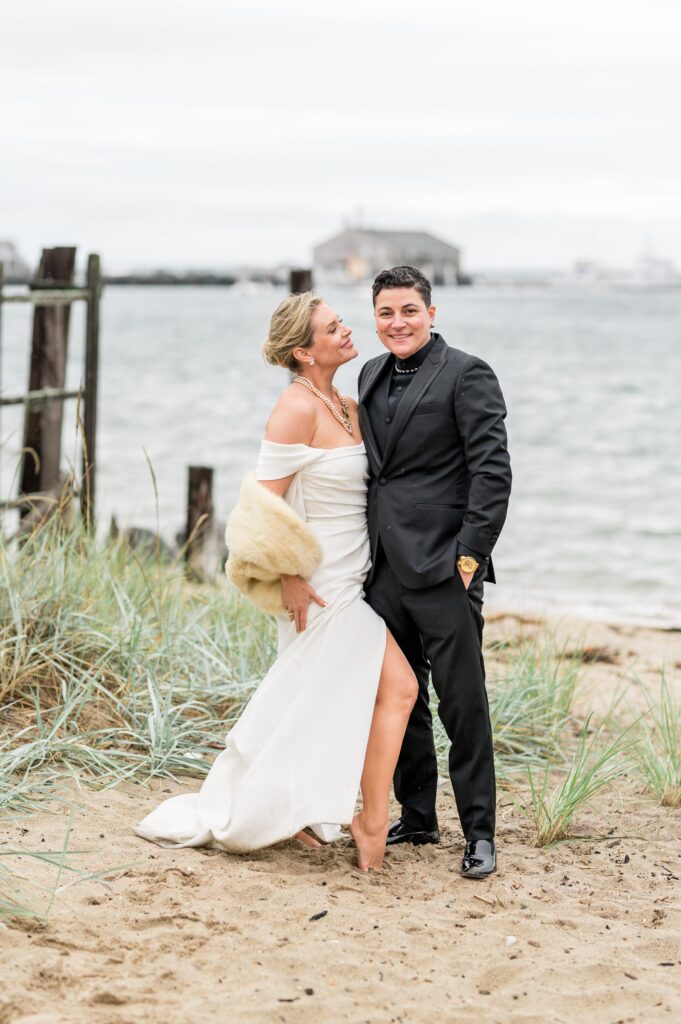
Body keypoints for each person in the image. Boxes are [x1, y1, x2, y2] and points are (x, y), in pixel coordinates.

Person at [134, 293, 417, 871]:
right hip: (321, 590)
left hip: (354, 579)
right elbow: (261, 507)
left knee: (309, 702)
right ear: (302, 351)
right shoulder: (295, 408)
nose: (345, 331)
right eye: (332, 328)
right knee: (400, 688)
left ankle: (307, 815)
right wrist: (285, 576)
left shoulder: (345, 404)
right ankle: (370, 822)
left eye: (341, 322)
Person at [359, 266, 512, 878]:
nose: (397, 323)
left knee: (463, 701)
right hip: (385, 568)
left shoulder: (468, 373)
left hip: (447, 567)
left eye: (408, 311)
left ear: (431, 312)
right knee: (402, 698)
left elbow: (492, 472)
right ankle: (417, 815)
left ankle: (480, 833)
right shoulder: (369, 373)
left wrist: (468, 558)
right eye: (386, 313)